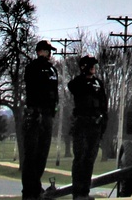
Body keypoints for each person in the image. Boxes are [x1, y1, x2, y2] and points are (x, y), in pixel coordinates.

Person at [21, 40, 59, 199]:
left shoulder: (52, 69)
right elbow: (34, 88)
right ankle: (29, 190)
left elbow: (54, 91)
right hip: (35, 113)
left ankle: (37, 187)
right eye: (47, 51)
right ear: (40, 51)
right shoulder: (32, 67)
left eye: (50, 51)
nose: (49, 54)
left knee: (43, 153)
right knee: (32, 153)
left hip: (48, 113)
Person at [67, 54, 108, 199]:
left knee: (90, 159)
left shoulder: (98, 83)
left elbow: (104, 104)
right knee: (80, 158)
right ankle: (77, 192)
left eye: (94, 65)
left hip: (95, 125)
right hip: (81, 124)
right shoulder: (78, 82)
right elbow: (72, 87)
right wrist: (85, 77)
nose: (94, 68)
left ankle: (85, 191)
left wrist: (103, 123)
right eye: (91, 66)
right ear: (84, 67)